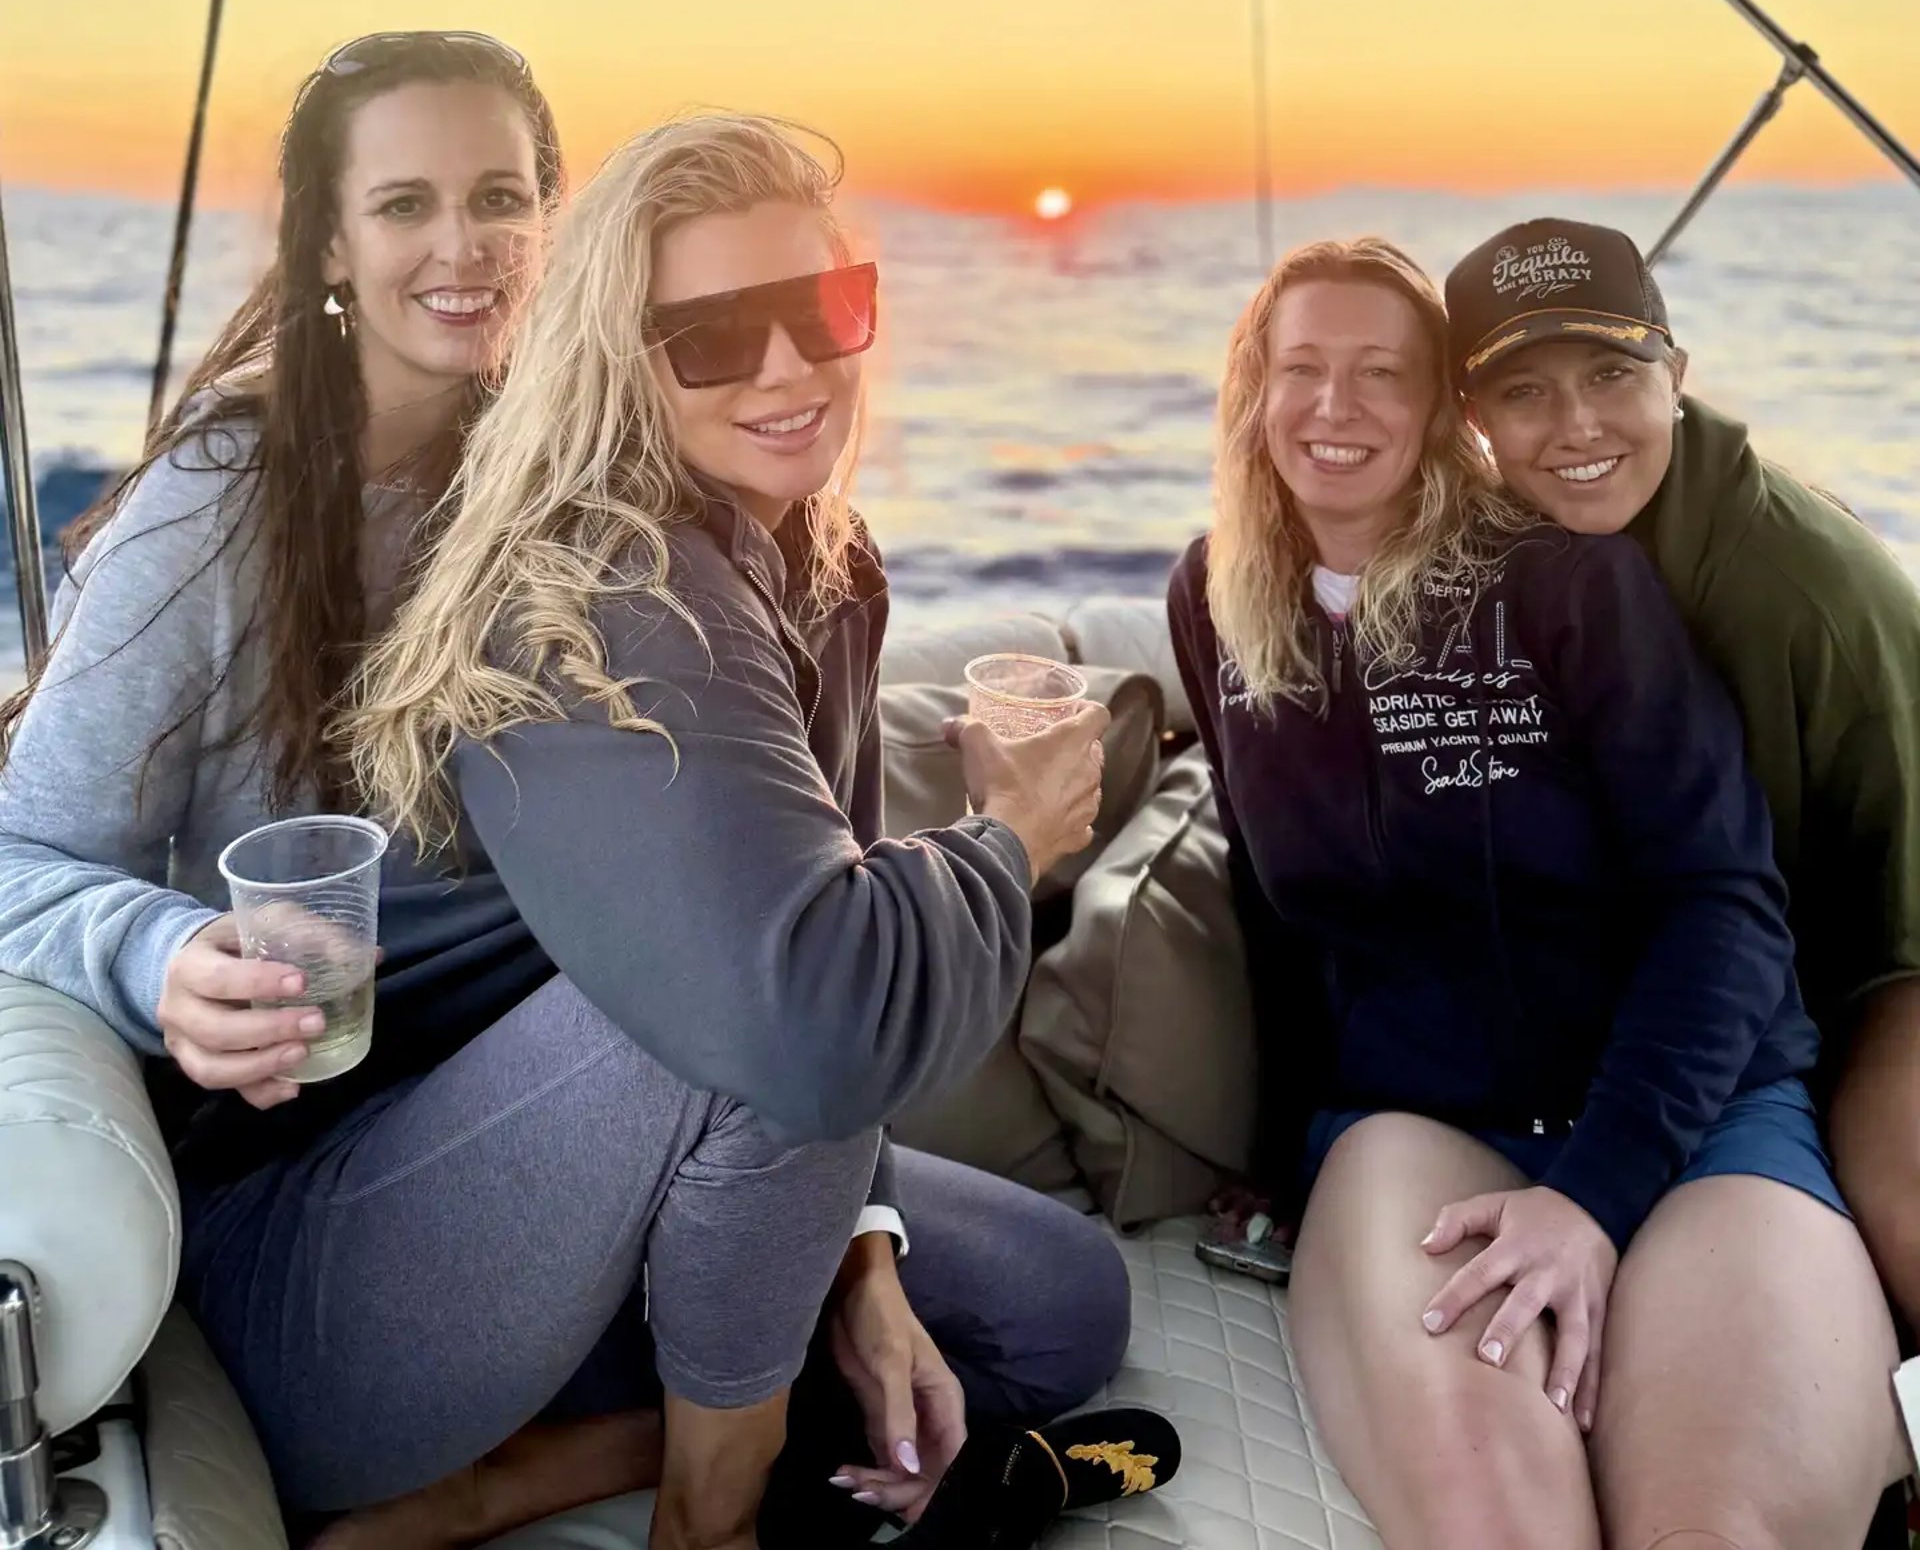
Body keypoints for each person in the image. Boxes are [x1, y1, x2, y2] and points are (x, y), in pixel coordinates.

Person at [306, 111, 1129, 1549]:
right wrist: (1012, 836)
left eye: (828, 310)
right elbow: (816, 1016)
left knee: (1058, 1309)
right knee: (788, 1011)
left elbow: (837, 907)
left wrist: (867, 1265)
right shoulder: (612, 598)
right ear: (616, 356)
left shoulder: (821, 561)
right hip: (366, 1283)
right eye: (711, 337)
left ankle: (542, 1468)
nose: (791, 370)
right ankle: (710, 1520)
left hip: (629, 1194)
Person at [1169, 235, 1899, 1550]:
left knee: (1715, 1530)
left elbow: (1723, 901)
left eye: (1381, 372)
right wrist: (1275, 1161)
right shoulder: (1213, 599)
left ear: (1437, 405)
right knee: (1498, 1526)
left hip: (1695, 1131)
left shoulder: (1566, 584)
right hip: (1420, 1132)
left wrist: (1594, 1197)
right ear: (1252, 392)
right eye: (1303, 369)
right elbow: (1271, 914)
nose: (1337, 408)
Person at [1449, 218, 1920, 1332]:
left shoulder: (1791, 591)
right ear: (1469, 421)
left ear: (1678, 375)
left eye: (1614, 374)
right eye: (1524, 392)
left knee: (1898, 1215)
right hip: (1731, 948)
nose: (1578, 427)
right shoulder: (1522, 553)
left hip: (1885, 947)